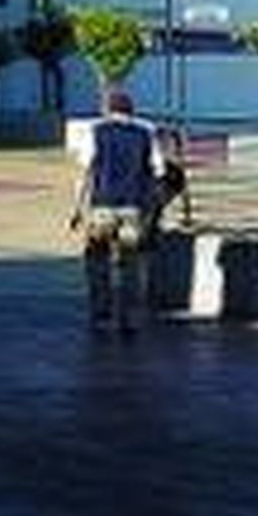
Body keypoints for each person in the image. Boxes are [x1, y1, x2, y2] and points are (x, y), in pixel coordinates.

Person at [70, 89, 165, 336]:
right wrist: (152, 209)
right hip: (133, 206)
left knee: (97, 259)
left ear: (108, 109)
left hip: (102, 205)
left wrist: (77, 209)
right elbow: (159, 172)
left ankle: (101, 313)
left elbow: (85, 174)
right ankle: (128, 317)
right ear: (130, 109)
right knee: (131, 262)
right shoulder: (146, 132)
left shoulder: (96, 132)